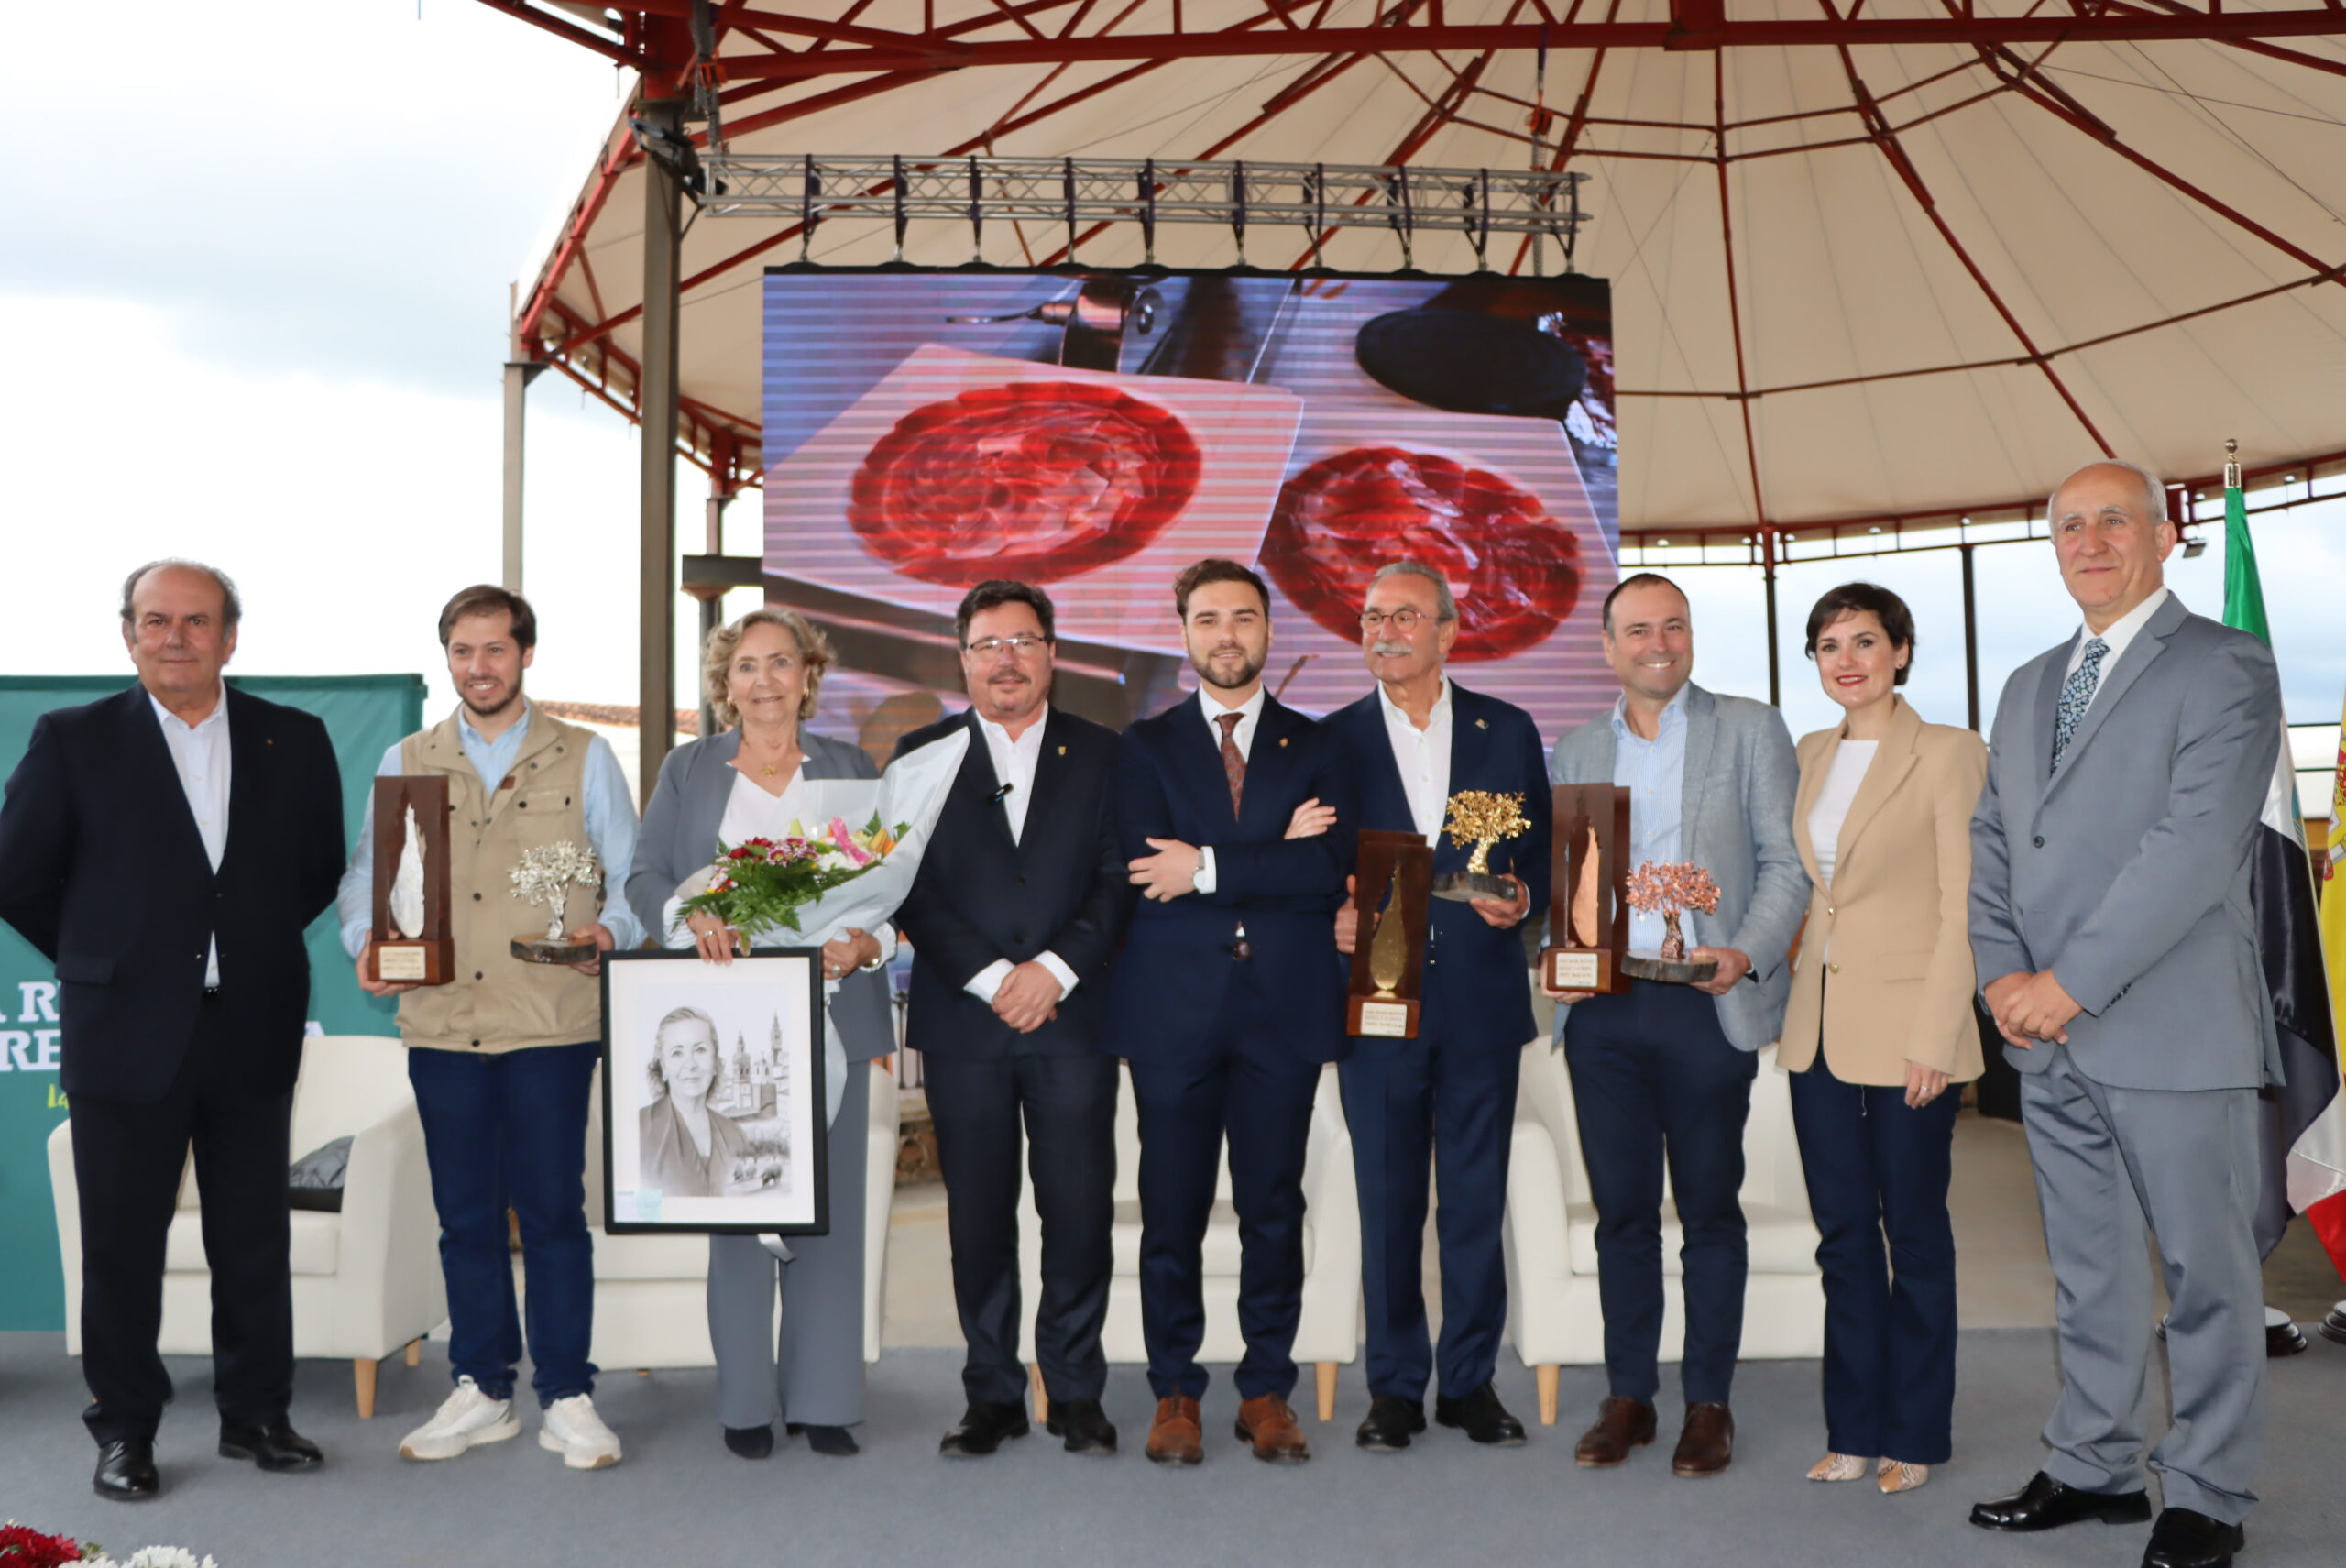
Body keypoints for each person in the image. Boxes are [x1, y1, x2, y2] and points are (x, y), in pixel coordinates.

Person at [1967, 461, 2280, 1568]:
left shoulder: (2225, 665)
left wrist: (2066, 984)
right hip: (2042, 1035)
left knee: (2206, 1275)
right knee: (2088, 1269)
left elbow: (2190, 848)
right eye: (2069, 525)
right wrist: (2001, 978)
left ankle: (2207, 1490)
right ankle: (2092, 1465)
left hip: (2171, 1029)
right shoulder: (2025, 684)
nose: (2089, 540)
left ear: (2161, 533)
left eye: (2113, 519)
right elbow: (1995, 840)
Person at [0, 560, 345, 1501]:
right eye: (156, 621)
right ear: (129, 635)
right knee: (120, 1248)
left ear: (230, 637)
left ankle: (257, 1414)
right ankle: (124, 1431)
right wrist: (105, 955)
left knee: (251, 1238)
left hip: (253, 1025)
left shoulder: (293, 737)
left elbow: (315, 869)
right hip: (123, 1031)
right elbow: (17, 875)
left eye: (197, 621)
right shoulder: (73, 739)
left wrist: (237, 943)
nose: (176, 638)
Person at [336, 584, 643, 1471]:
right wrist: (365, 940)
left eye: (495, 649)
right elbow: (365, 878)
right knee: (465, 1217)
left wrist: (610, 932)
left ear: (526, 654)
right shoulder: (407, 757)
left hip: (550, 1024)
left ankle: (569, 1393)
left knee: (552, 1213)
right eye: (463, 651)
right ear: (448, 658)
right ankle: (481, 1387)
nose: (479, 667)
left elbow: (630, 880)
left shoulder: (584, 756)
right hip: (442, 1027)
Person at [1543, 571, 1807, 1479]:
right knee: (1621, 1212)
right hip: (1605, 1012)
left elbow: (1786, 863)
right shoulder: (1578, 745)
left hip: (1706, 1001)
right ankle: (1629, 1397)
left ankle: (1708, 1402)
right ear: (1607, 647)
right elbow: (1567, 882)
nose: (1659, 644)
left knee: (1708, 1210)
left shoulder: (1750, 728)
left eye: (1674, 626)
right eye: (1639, 630)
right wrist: (1552, 951)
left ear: (1689, 636)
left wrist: (1745, 951)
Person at [1106, 558, 1356, 1466]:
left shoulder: (1320, 744)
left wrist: (1207, 864)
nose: (1226, 634)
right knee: (1170, 1210)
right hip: (1172, 1012)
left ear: (1269, 630)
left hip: (1282, 1009)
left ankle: (1264, 1389)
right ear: (1183, 633)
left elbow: (1324, 872)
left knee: (1272, 1208)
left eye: (1243, 617)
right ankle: (1174, 1388)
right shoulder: (1142, 745)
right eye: (1207, 618)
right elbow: (1148, 872)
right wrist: (1268, 850)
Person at [628, 607, 893, 1463]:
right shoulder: (687, 768)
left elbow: (892, 885)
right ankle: (744, 1402)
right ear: (725, 682)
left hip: (835, 1012)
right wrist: (692, 916)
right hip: (730, 1019)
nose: (765, 679)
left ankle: (825, 1399)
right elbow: (645, 876)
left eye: (782, 662)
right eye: (747, 665)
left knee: (831, 1217)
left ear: (808, 674)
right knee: (737, 1210)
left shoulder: (851, 767)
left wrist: (868, 943)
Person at [892, 581, 1130, 1460]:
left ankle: (1074, 1390)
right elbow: (909, 887)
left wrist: (1053, 971)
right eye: (988, 644)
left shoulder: (1106, 753)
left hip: (1074, 1021)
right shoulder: (920, 756)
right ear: (962, 659)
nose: (1007, 659)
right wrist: (997, 979)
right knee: (978, 1220)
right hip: (967, 1026)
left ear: (1052, 654)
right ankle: (990, 1393)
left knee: (1078, 1214)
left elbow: (1118, 879)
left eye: (1024, 641)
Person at [1325, 561, 1550, 1453]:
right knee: (1386, 1204)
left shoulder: (1508, 729)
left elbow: (1538, 855)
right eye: (1372, 616)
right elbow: (1307, 866)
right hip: (1375, 1008)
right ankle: (1392, 1387)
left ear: (1448, 632)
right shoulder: (1327, 741)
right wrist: (1330, 915)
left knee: (1472, 1201)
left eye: (1404, 616)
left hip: (1480, 1006)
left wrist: (1522, 898)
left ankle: (1467, 1382)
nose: (1383, 631)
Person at [1778, 583, 1986, 1496]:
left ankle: (1915, 1431)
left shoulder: (1949, 751)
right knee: (1842, 1239)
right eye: (1828, 645)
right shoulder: (1810, 751)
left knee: (1915, 1234)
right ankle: (1852, 1428)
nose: (1846, 660)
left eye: (1864, 641)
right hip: (1817, 1034)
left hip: (1911, 1033)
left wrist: (1935, 1034)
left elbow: (1962, 904)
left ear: (1900, 650)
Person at [638, 1006, 751, 1198]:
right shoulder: (638, 1129)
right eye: (677, 1053)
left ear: (715, 1063)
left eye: (700, 1050)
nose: (690, 1064)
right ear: (663, 1067)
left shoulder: (735, 1135)